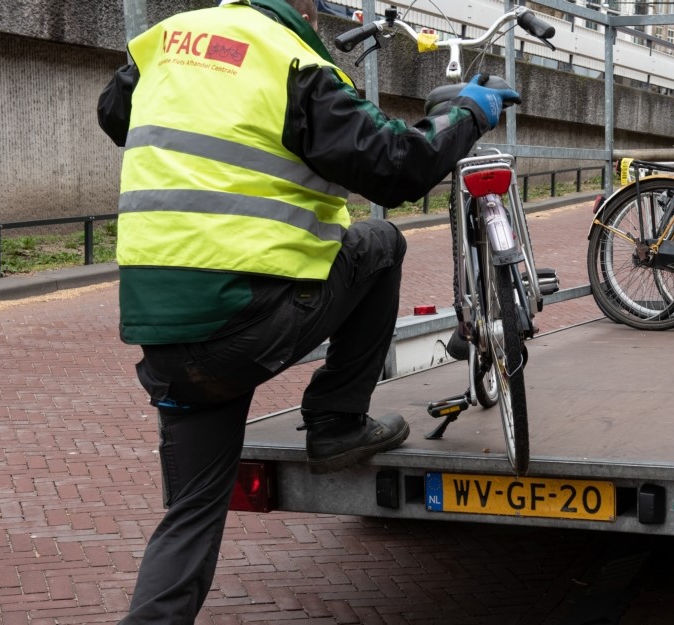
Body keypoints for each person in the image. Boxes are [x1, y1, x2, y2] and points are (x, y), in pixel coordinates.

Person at [95, 0, 519, 622]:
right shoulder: (294, 63)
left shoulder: (161, 44)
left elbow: (116, 116)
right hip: (250, 321)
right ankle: (336, 422)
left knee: (190, 517)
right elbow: (398, 166)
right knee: (379, 244)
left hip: (167, 339)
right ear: (304, 10)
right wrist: (467, 117)